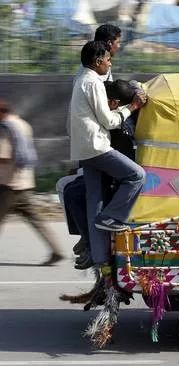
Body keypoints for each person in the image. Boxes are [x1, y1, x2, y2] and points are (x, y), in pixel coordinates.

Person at [70, 41, 146, 273]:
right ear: (97, 62)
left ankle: (100, 258)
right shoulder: (92, 82)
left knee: (95, 202)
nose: (110, 62)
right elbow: (109, 121)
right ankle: (113, 217)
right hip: (97, 146)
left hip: (84, 149)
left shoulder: (81, 79)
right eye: (108, 59)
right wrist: (132, 107)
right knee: (137, 175)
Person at [0, 100, 64, 265]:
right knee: (35, 219)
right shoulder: (22, 124)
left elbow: (4, 155)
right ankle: (56, 251)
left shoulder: (5, 128)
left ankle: (56, 252)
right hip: (25, 181)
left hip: (9, 184)